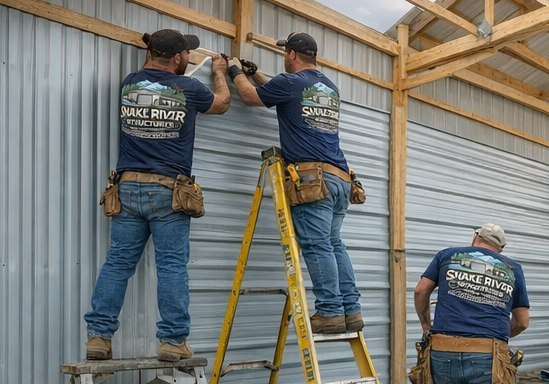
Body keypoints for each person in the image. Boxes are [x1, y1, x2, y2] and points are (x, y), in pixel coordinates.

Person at [84, 29, 231, 362]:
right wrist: (220, 73)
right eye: (187, 55)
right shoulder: (190, 88)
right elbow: (221, 104)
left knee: (118, 264)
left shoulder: (130, 84)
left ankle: (99, 337)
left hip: (127, 187)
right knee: (171, 267)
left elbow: (154, 73)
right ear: (178, 58)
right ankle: (172, 341)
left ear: (150, 53)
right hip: (168, 191)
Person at [228, 32, 362, 334]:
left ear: (291, 55)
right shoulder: (327, 87)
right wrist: (256, 74)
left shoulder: (290, 83)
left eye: (284, 53)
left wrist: (235, 71)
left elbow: (251, 98)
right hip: (340, 179)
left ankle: (329, 312)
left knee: (316, 246)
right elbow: (280, 92)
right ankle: (351, 310)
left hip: (313, 180)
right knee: (333, 244)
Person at [413, 223, 530, 384]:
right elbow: (522, 321)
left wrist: (425, 324)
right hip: (489, 358)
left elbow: (421, 291)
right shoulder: (512, 268)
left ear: (475, 238)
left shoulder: (447, 255)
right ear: (500, 248)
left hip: (442, 351)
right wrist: (494, 339)